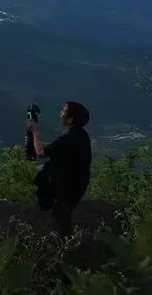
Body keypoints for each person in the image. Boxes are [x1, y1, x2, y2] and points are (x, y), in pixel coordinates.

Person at [28, 100, 92, 237]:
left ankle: (64, 248)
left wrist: (34, 131)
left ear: (70, 119)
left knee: (61, 219)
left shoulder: (68, 137)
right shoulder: (81, 135)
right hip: (78, 184)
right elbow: (54, 148)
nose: (60, 113)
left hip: (67, 187)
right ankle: (65, 243)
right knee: (63, 216)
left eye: (63, 111)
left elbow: (40, 153)